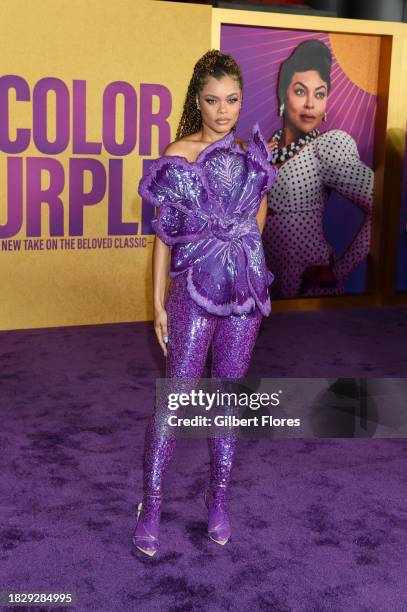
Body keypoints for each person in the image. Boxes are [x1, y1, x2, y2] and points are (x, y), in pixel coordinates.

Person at [133, 50, 277, 556]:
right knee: (176, 400)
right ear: (198, 100)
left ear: (242, 101)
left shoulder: (252, 158)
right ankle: (150, 503)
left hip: (242, 295)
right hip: (192, 295)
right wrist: (158, 303)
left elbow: (257, 228)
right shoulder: (179, 153)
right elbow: (162, 238)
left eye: (232, 100)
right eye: (213, 101)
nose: (223, 111)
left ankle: (218, 500)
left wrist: (240, 252)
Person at [264, 39, 374, 298]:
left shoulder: (326, 149)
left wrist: (339, 270)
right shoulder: (265, 150)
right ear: (283, 95)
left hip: (306, 284)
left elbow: (382, 204)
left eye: (320, 93)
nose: (310, 104)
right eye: (300, 91)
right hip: (265, 282)